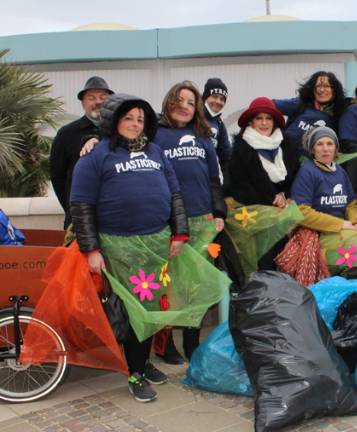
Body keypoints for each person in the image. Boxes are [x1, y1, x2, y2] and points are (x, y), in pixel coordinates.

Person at [69, 94, 224, 402]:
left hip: (158, 244)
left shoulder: (155, 151)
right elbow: (81, 204)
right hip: (119, 247)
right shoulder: (96, 156)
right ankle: (135, 372)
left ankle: (142, 363)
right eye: (129, 118)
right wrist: (91, 249)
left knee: (154, 306)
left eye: (140, 119)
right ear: (113, 120)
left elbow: (175, 194)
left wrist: (180, 233)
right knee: (134, 311)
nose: (135, 124)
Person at [154, 81, 227, 363]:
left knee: (194, 286)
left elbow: (214, 179)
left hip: (202, 220)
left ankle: (192, 340)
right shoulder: (155, 135)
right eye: (179, 100)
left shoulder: (203, 136)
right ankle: (165, 344)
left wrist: (219, 212)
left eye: (190, 102)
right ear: (169, 102)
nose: (184, 106)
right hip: (168, 221)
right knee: (168, 286)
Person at [282, 126, 357, 284]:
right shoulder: (308, 171)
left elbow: (350, 203)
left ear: (335, 148)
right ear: (312, 149)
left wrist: (355, 221)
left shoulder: (339, 171)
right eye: (320, 144)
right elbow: (302, 212)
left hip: (344, 227)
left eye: (330, 143)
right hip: (321, 231)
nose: (325, 149)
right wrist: (343, 224)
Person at [225, 97, 303, 273]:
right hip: (253, 210)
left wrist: (285, 195)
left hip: (283, 207)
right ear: (251, 122)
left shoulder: (287, 144)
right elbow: (239, 185)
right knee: (263, 257)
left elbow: (295, 175)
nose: (264, 123)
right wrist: (272, 200)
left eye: (268, 118)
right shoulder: (241, 147)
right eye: (259, 118)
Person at [50, 76, 113, 228]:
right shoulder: (66, 133)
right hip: (79, 219)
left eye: (102, 98)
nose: (97, 102)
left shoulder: (118, 131)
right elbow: (57, 177)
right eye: (91, 98)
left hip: (114, 217)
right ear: (83, 103)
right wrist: (71, 209)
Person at [274, 71, 347, 156]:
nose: (322, 90)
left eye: (327, 86)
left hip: (313, 163)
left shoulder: (340, 114)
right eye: (318, 86)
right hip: (285, 156)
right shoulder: (300, 104)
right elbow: (269, 105)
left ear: (335, 90)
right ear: (312, 89)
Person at [201, 78, 232, 175]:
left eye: (222, 99)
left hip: (210, 180)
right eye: (214, 96)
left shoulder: (219, 124)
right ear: (206, 97)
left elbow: (226, 157)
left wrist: (230, 185)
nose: (218, 101)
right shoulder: (192, 117)